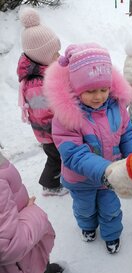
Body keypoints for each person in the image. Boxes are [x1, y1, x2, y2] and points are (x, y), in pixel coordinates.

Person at [44, 43, 132, 254]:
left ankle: (112, 234)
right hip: (82, 181)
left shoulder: (116, 107)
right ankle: (87, 227)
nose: (98, 96)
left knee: (111, 209)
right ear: (77, 89)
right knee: (85, 209)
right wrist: (106, 171)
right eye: (90, 91)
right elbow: (73, 154)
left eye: (103, 89)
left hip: (110, 178)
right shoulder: (66, 116)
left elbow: (127, 133)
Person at [0, 150, 64, 273]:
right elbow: (8, 246)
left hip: (26, 247)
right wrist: (32, 212)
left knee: (33, 260)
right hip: (12, 269)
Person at [17, 8, 67, 196]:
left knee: (59, 155)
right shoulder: (35, 84)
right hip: (49, 132)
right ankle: (50, 185)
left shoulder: (46, 67)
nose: (58, 56)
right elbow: (42, 114)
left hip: (54, 129)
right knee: (55, 157)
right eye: (55, 53)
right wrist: (59, 130)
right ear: (42, 55)